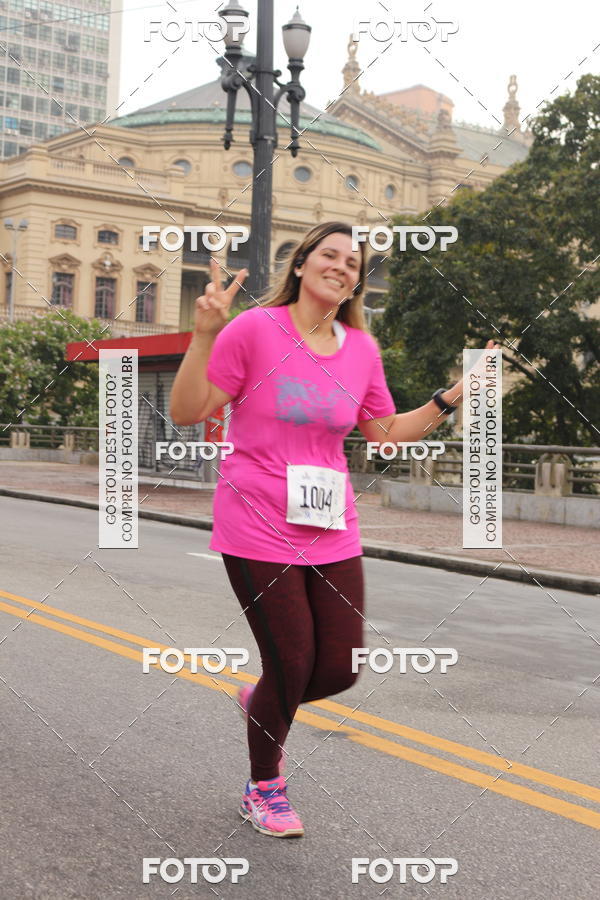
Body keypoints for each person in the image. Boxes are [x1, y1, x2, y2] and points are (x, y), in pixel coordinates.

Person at [170, 221, 499, 839]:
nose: (342, 267)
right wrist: (204, 334)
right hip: (257, 520)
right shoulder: (253, 331)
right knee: (292, 663)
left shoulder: (360, 350)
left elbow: (383, 433)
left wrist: (454, 397)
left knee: (340, 668)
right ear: (301, 265)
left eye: (353, 262)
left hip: (331, 523)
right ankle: (264, 787)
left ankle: (264, 699)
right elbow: (188, 410)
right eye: (330, 255)